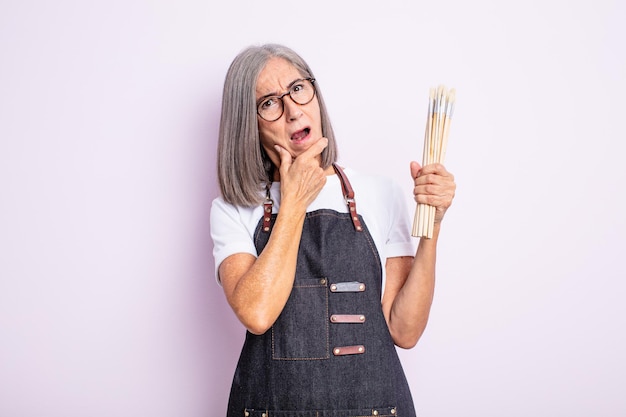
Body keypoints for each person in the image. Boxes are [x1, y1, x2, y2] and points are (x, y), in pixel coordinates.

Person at [210, 43, 456, 417]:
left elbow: (404, 331)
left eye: (298, 89)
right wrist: (292, 203)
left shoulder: (381, 193)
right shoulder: (232, 208)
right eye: (269, 103)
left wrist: (432, 225)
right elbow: (257, 313)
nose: (293, 110)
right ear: (250, 123)